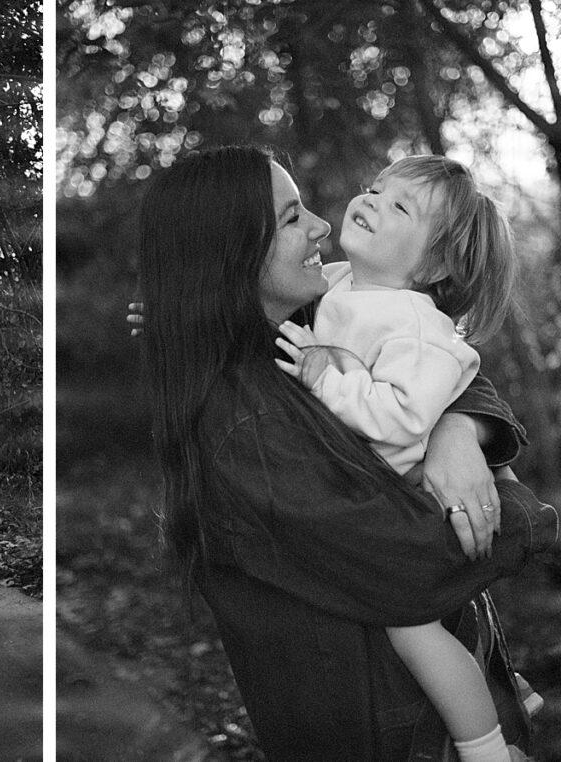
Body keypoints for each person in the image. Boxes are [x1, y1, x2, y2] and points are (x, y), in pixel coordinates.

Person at [136, 144, 561, 761]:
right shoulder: (249, 422)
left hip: (416, 714)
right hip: (389, 734)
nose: (322, 225)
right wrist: (521, 507)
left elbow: (445, 364)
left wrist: (459, 431)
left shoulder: (295, 334)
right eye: (292, 218)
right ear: (229, 254)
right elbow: (416, 561)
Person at [273, 155, 533, 761]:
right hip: (361, 490)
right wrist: (184, 311)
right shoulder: (340, 281)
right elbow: (256, 303)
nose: (369, 201)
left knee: (412, 628)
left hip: (403, 498)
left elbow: (402, 421)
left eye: (399, 207)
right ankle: (504, 690)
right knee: (419, 625)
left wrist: (323, 378)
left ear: (434, 265)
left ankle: (487, 746)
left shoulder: (417, 328)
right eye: (374, 188)